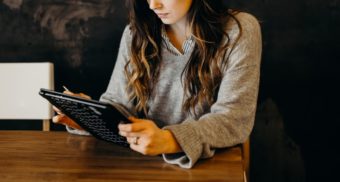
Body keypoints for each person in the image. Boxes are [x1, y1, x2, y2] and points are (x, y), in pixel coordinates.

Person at [53, 0, 262, 168]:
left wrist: (170, 139)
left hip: (213, 166)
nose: (153, 5)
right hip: (146, 165)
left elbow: (234, 119)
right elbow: (120, 106)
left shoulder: (239, 30)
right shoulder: (136, 33)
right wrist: (89, 117)